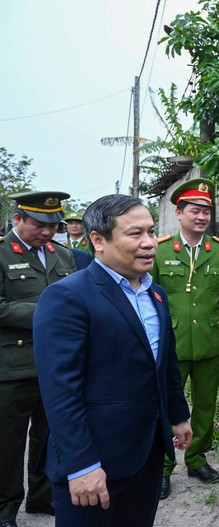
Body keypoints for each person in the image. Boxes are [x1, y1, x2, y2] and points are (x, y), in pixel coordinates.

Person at [32, 194, 192, 527]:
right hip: (95, 462)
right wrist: (82, 465)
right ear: (98, 240)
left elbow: (165, 364)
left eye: (151, 232)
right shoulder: (68, 296)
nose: (149, 243)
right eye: (135, 234)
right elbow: (60, 392)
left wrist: (178, 415)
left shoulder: (156, 293)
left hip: (146, 453)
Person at [152, 177, 219, 497]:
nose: (202, 217)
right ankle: (163, 467)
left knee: (205, 405)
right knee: (165, 405)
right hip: (170, 344)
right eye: (195, 210)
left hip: (208, 344)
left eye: (206, 211)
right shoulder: (160, 250)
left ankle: (197, 459)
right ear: (179, 213)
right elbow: (150, 299)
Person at [0, 191, 76, 527]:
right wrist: (47, 313)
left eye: (53, 225)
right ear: (18, 219)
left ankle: (42, 497)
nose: (46, 232)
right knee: (8, 443)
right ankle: (5, 510)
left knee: (49, 436)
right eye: (38, 225)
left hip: (56, 364)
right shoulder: (2, 253)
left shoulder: (62, 255)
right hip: (14, 367)